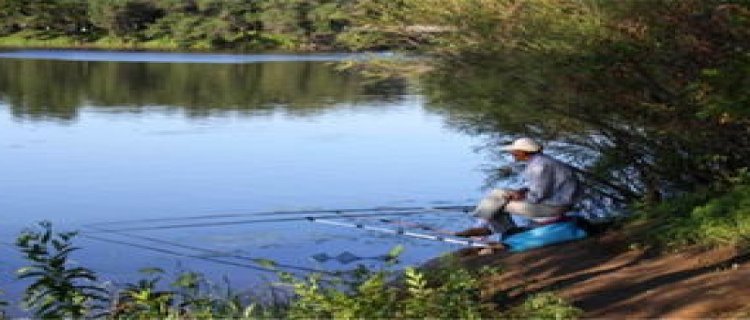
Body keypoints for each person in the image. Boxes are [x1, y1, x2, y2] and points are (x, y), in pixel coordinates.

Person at [455, 137, 581, 244]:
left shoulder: (540, 166)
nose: (512, 153)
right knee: (498, 193)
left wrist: (519, 197)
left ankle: (503, 233)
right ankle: (481, 226)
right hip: (553, 202)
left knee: (498, 205)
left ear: (524, 152)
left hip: (555, 206)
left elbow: (538, 196)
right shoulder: (540, 161)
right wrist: (521, 191)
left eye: (515, 151)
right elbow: (539, 187)